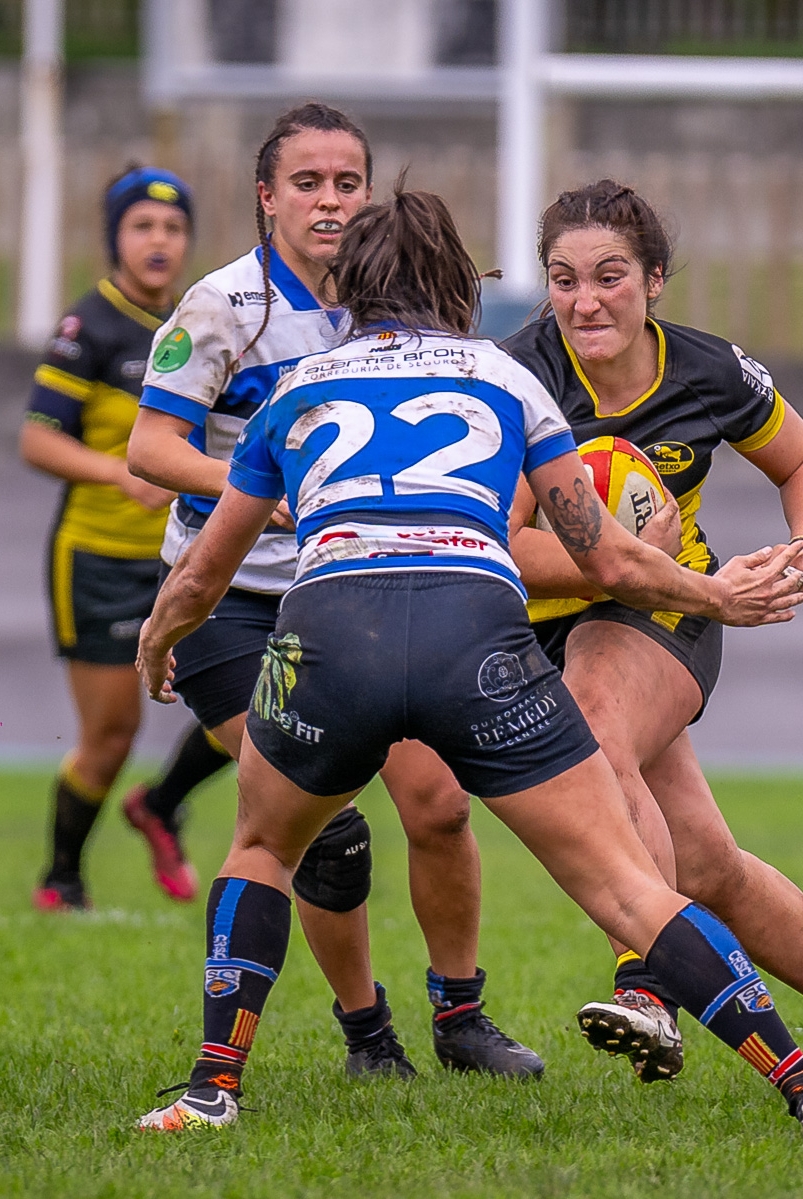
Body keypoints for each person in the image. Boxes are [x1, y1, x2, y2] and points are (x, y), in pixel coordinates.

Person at [130, 184, 803, 1143]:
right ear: (460, 280)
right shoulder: (510, 382)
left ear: (350, 291)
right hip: (477, 643)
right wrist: (720, 596)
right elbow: (608, 559)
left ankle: (212, 1089)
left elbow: (209, 563)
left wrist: (162, 638)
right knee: (632, 884)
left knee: (261, 847)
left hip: (331, 638)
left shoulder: (298, 388)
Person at [501, 180, 803, 1108]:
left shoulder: (708, 370)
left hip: (675, 607)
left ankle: (648, 985)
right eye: (564, 279)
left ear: (656, 280)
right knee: (705, 865)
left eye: (610, 276)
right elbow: (504, 544)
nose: (586, 301)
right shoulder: (520, 375)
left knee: (595, 728)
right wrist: (609, 565)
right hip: (553, 613)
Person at [125, 103, 539, 1078]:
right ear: (266, 196)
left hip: (353, 588)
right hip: (230, 597)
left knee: (437, 804)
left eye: (347, 182)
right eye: (306, 182)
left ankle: (461, 1017)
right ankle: (368, 1034)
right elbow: (150, 447)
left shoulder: (386, 301)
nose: (329, 200)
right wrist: (255, 498)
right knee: (327, 826)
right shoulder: (220, 307)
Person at [18, 165, 234, 913]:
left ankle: (162, 803)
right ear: (116, 238)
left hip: (190, 556)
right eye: (142, 226)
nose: (159, 241)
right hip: (100, 557)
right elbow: (38, 439)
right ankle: (62, 875)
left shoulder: (203, 322)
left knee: (252, 698)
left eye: (173, 229)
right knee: (111, 734)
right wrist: (119, 474)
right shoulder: (92, 326)